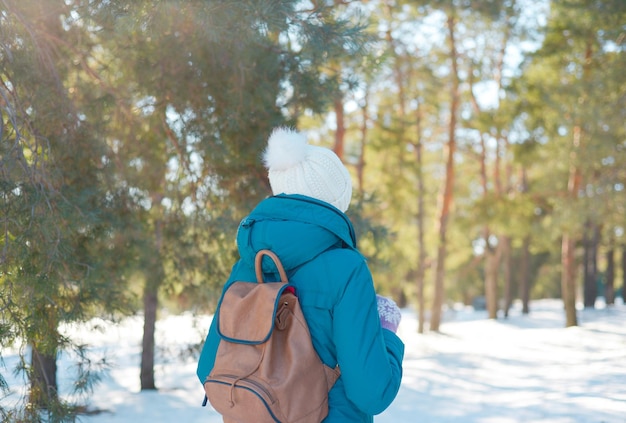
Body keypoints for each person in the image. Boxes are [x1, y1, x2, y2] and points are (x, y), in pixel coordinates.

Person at [197, 127, 404, 422]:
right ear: (334, 198)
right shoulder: (347, 268)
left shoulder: (247, 265)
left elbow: (208, 369)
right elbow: (372, 392)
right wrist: (386, 334)